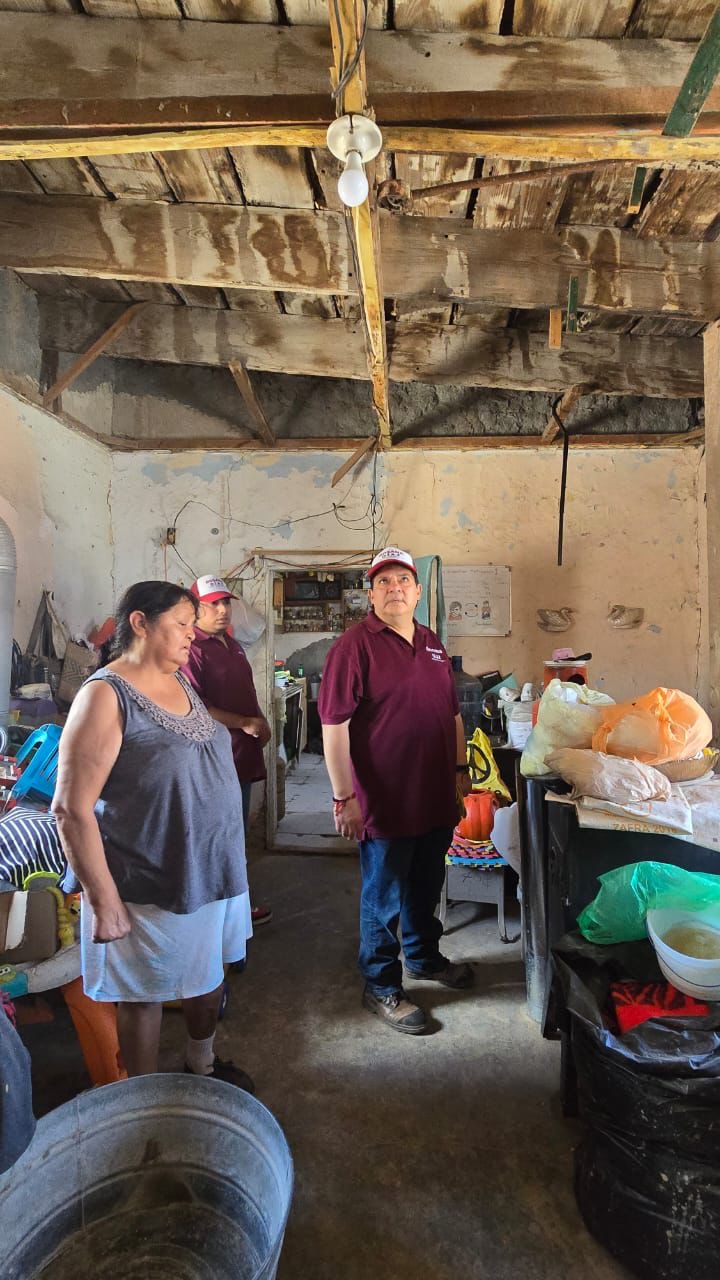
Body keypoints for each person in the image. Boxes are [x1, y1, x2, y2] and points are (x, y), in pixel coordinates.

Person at [52, 581, 254, 1088]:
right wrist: (104, 902)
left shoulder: (178, 678)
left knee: (207, 975)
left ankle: (201, 1064)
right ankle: (142, 1100)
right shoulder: (105, 695)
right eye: (182, 624)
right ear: (140, 623)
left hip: (210, 868)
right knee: (144, 994)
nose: (191, 634)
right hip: (148, 878)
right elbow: (70, 809)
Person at [318, 546, 473, 1035]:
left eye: (403, 580)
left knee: (425, 886)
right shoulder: (353, 647)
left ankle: (424, 958)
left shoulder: (431, 643)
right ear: (371, 594)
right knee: (382, 897)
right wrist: (344, 797)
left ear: (418, 591)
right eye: (383, 581)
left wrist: (460, 768)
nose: (394, 589)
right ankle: (381, 985)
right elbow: (334, 726)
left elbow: (451, 714)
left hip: (434, 794)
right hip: (383, 801)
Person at [182, 575, 272, 929]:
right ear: (195, 609)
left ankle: (237, 908)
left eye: (225, 602)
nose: (222, 610)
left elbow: (245, 691)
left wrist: (260, 719)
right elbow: (195, 707)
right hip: (217, 759)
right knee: (219, 838)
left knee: (236, 834)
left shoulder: (232, 644)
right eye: (212, 604)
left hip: (242, 755)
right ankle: (222, 916)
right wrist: (244, 722)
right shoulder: (192, 649)